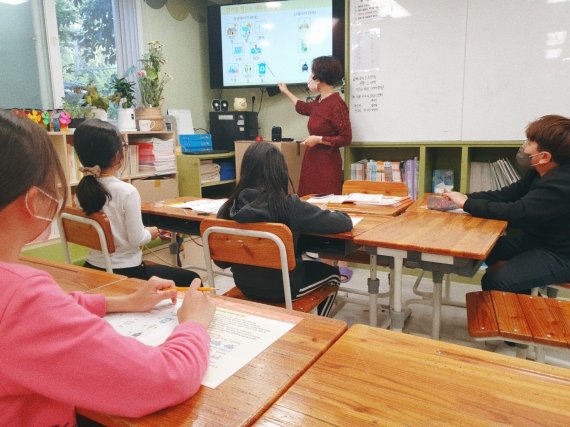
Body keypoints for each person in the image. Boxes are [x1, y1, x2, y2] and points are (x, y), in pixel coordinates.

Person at [0, 111, 216, 425]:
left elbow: (46, 316)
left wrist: (122, 302)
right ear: (35, 200)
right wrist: (194, 324)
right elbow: (163, 380)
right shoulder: (20, 295)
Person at [217, 142, 353, 316]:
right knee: (333, 275)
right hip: (286, 288)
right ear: (280, 172)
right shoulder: (289, 205)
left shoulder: (228, 207)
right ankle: (320, 325)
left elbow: (221, 262)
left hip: (244, 285)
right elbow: (343, 223)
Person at [444, 114, 570, 294]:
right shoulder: (539, 172)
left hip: (561, 254)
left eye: (529, 143)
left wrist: (467, 204)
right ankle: (524, 296)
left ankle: (517, 317)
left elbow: (518, 213)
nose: (524, 147)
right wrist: (463, 197)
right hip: (538, 240)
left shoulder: (562, 183)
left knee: (496, 280)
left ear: (544, 157)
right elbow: (506, 194)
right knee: (486, 249)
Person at [74, 119, 200, 286]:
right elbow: (136, 239)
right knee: (193, 278)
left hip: (93, 266)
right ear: (117, 155)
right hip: (126, 272)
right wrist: (154, 231)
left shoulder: (81, 192)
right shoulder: (126, 191)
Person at [278, 55, 352, 197]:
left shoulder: (336, 104)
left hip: (327, 165)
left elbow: (346, 138)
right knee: (308, 201)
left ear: (319, 78)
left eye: (312, 73)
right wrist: (286, 91)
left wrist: (318, 139)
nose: (309, 77)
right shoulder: (319, 101)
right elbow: (303, 108)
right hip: (312, 162)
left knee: (324, 202)